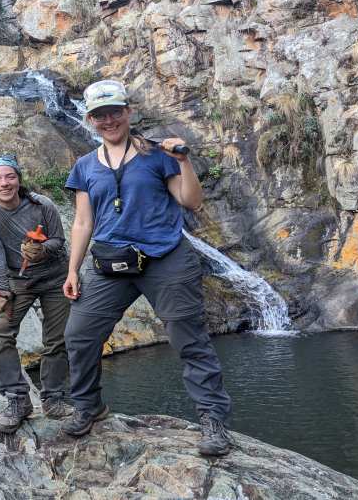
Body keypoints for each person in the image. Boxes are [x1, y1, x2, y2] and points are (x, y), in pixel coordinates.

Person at [60, 80, 233, 456]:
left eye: (115, 112)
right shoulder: (85, 166)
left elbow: (191, 201)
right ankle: (89, 407)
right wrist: (73, 271)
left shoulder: (157, 155)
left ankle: (212, 420)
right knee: (79, 335)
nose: (109, 120)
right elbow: (82, 222)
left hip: (166, 258)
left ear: (128, 112)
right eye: (100, 115)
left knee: (189, 340)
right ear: (90, 120)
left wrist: (183, 161)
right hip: (109, 262)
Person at [0, 156, 73, 433]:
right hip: (17, 281)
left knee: (58, 338)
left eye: (9, 177)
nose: (4, 183)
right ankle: (18, 399)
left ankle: (53, 399)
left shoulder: (42, 204)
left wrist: (43, 250)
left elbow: (58, 241)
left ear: (18, 178)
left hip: (55, 277)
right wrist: (2, 290)